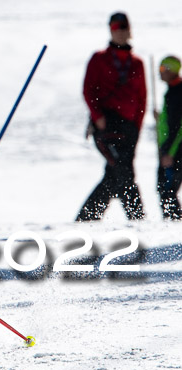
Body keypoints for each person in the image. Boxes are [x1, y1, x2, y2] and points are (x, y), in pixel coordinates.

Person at [76, 12, 147, 221]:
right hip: (106, 125)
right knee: (122, 170)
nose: (121, 31)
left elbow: (142, 98)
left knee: (116, 172)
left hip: (129, 128)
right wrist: (97, 117)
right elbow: (88, 90)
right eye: (116, 27)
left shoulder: (137, 63)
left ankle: (86, 219)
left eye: (124, 26)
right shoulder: (99, 59)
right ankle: (138, 219)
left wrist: (137, 128)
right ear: (110, 30)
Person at [155, 56, 182, 219]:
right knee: (164, 189)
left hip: (176, 151)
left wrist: (170, 153)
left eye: (163, 69)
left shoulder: (178, 92)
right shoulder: (171, 91)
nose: (160, 73)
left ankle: (175, 225)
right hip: (169, 150)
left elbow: (179, 127)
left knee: (167, 191)